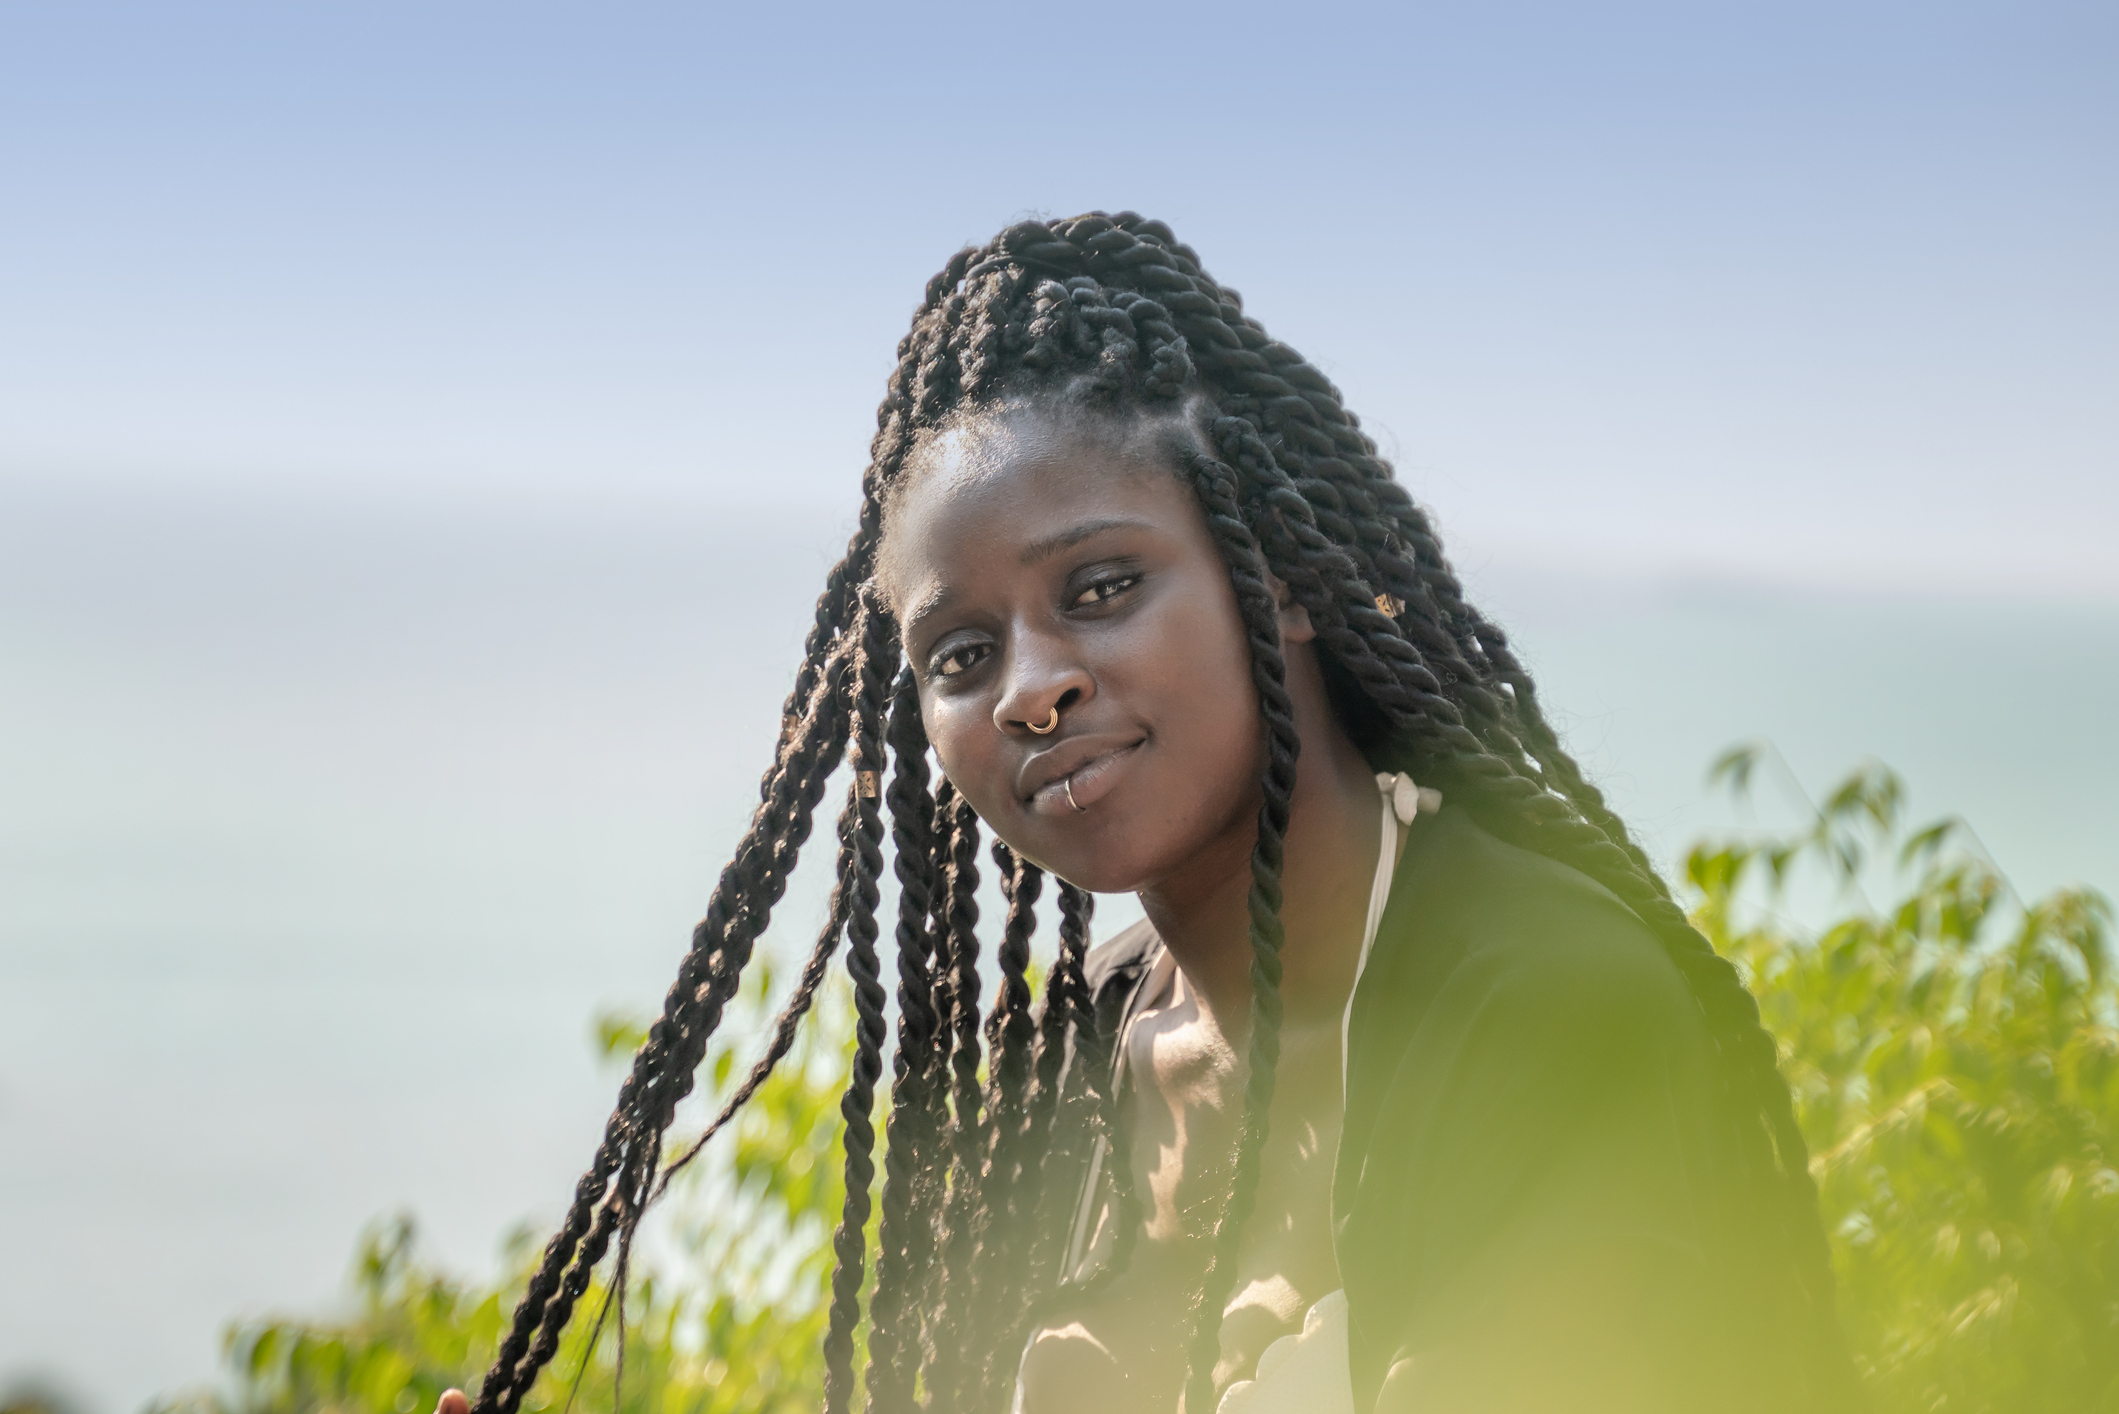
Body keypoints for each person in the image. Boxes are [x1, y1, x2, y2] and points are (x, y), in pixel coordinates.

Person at [436, 212, 1857, 1414]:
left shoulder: (1550, 1010)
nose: (1031, 690)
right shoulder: (1060, 1069)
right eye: (961, 655)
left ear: (1278, 577)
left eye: (1102, 587)